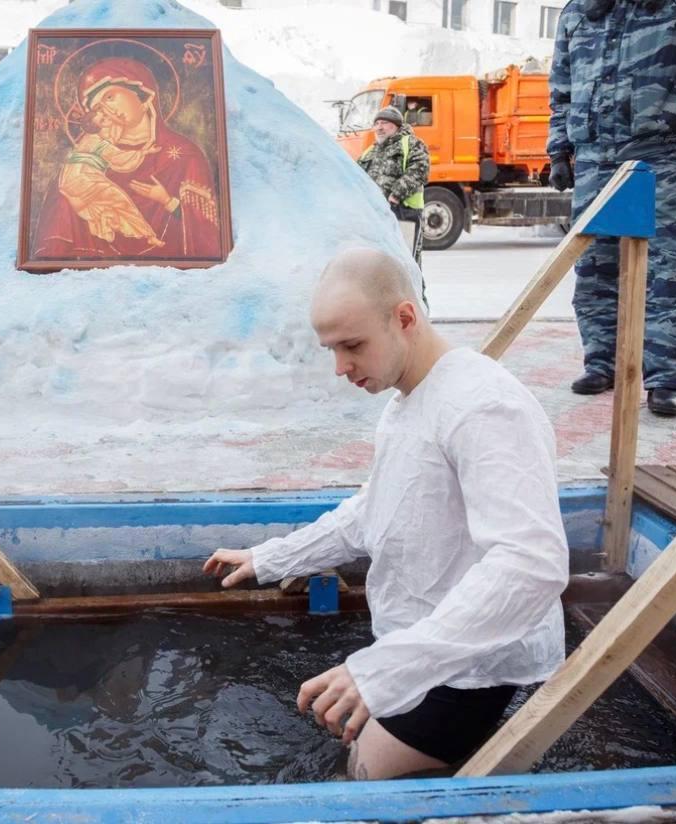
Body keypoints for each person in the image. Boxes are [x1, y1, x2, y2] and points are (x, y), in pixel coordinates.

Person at [203, 247, 568, 780]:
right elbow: (374, 511)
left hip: (468, 669)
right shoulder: (410, 398)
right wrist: (271, 559)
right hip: (423, 650)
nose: (340, 368)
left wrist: (383, 671)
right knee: (353, 759)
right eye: (331, 349)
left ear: (404, 317)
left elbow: (530, 563)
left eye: (352, 345)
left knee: (363, 784)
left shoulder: (484, 407)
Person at [547, 0, 676, 417]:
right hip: (594, 156)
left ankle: (664, 379)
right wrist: (559, 149)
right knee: (594, 268)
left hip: (661, 153)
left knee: (666, 271)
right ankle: (603, 362)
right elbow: (561, 87)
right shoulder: (580, 10)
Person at [32, 56, 222, 261]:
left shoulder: (185, 156)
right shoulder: (84, 165)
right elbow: (53, 250)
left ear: (144, 95)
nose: (106, 110)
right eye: (96, 108)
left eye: (109, 97)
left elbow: (206, 236)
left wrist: (167, 201)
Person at [58, 105, 165, 250]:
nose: (107, 118)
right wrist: (144, 152)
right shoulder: (98, 142)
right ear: (99, 126)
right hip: (83, 179)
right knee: (121, 200)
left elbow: (115, 138)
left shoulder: (91, 138)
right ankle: (149, 236)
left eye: (105, 116)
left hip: (75, 178)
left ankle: (138, 232)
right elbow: (119, 158)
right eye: (103, 119)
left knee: (112, 204)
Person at [357, 107, 429, 273]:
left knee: (406, 265)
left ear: (396, 125)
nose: (380, 127)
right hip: (376, 216)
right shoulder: (370, 151)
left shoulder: (410, 143)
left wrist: (395, 196)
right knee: (378, 266)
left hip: (404, 213)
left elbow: (419, 169)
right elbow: (356, 178)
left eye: (385, 123)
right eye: (377, 123)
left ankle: (415, 298)